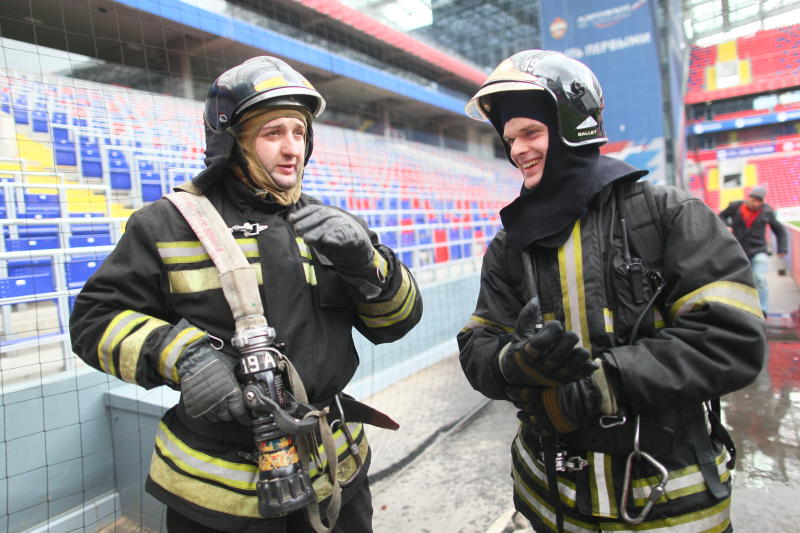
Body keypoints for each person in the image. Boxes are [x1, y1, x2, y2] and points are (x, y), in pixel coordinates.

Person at [69, 56, 422, 533]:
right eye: (273, 133)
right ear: (232, 142)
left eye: (299, 133)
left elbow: (396, 323)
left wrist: (367, 265)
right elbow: (94, 322)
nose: (292, 148)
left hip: (335, 475)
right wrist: (182, 357)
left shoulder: (334, 226)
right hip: (218, 500)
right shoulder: (166, 224)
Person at [457, 50, 765, 533]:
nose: (517, 150)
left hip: (667, 504)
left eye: (530, 133)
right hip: (550, 501)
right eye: (510, 138)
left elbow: (731, 340)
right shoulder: (508, 244)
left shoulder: (670, 214)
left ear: (571, 128)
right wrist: (513, 363)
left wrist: (601, 384)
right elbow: (477, 346)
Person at [719, 185, 787, 315]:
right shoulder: (735, 206)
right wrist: (726, 225)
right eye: (754, 199)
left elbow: (779, 230)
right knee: (736, 279)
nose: (756, 203)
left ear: (763, 202)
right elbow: (720, 216)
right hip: (738, 249)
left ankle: (763, 310)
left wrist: (782, 248)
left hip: (758, 249)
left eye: (759, 201)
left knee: (759, 278)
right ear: (748, 197)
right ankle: (736, 308)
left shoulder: (767, 211)